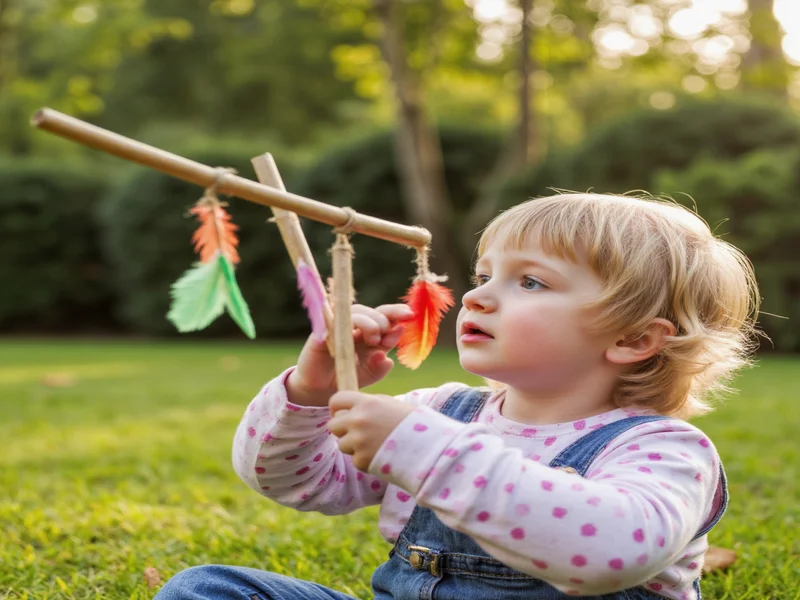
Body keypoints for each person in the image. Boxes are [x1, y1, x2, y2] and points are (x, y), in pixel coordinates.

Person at [156, 193, 759, 600]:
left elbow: (609, 550)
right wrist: (310, 392)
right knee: (206, 588)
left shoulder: (663, 449)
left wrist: (425, 452)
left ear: (632, 337)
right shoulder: (441, 412)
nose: (476, 298)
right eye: (481, 276)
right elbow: (295, 481)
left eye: (529, 281)